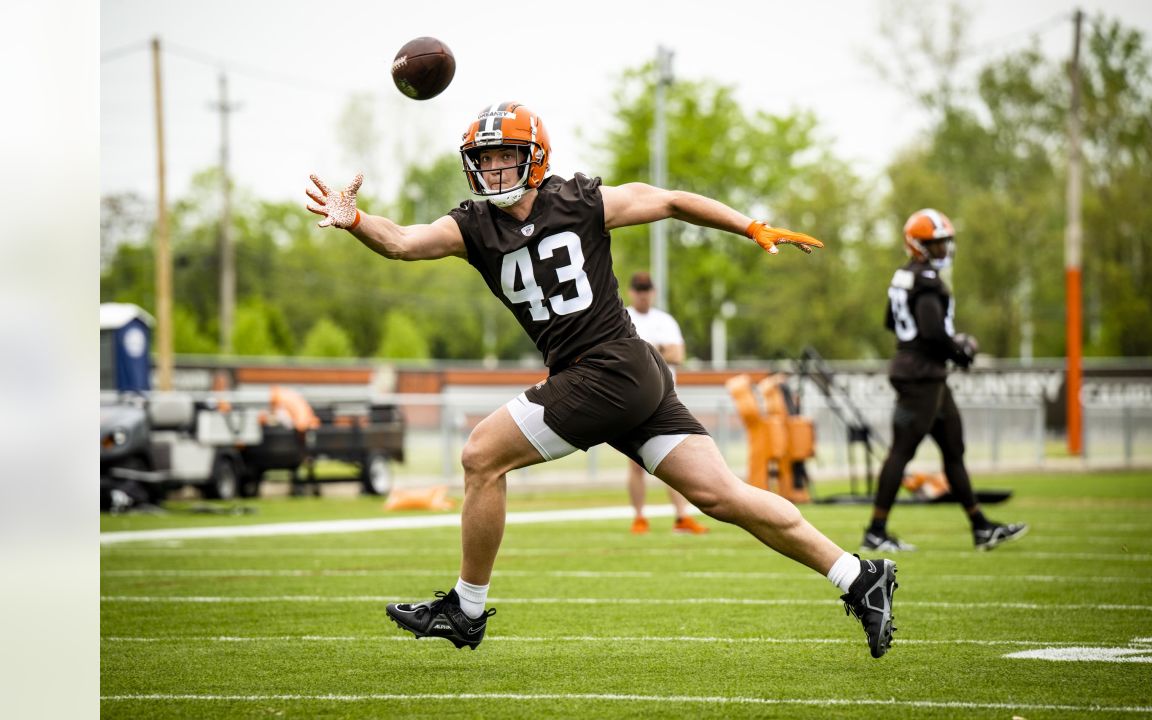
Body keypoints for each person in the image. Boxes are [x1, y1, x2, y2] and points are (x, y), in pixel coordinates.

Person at [305, 101, 898, 658]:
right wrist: (355, 219)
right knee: (724, 496)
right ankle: (857, 575)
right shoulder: (474, 226)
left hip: (608, 367)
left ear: (534, 158)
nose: (490, 169)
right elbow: (404, 242)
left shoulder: (580, 199)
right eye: (481, 159)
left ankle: (467, 608)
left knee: (481, 455)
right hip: (621, 375)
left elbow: (667, 200)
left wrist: (750, 227)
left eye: (502, 156)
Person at [862, 208, 1028, 553]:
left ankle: (980, 527)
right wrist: (961, 350)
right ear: (918, 245)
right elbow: (934, 332)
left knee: (953, 449)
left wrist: (947, 349)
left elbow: (891, 323)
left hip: (927, 375)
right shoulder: (927, 282)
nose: (944, 249)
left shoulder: (904, 276)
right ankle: (876, 531)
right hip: (921, 377)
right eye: (936, 244)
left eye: (945, 242)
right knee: (901, 452)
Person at [622, 270, 707, 535]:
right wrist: (657, 349)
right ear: (631, 291)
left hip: (665, 399)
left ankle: (681, 516)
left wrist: (644, 348)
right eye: (639, 289)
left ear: (653, 291)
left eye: (646, 289)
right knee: (636, 463)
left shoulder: (664, 320)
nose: (643, 294)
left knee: (675, 461)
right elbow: (625, 354)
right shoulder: (622, 315)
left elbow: (677, 354)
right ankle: (639, 516)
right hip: (632, 398)